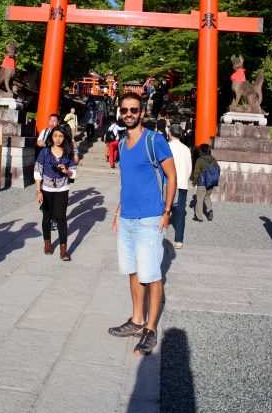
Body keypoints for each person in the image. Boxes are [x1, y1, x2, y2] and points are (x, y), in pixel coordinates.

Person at [109, 92, 176, 356]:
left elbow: (171, 176)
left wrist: (167, 211)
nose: (129, 114)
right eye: (124, 110)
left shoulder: (154, 140)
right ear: (120, 112)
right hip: (126, 219)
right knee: (133, 271)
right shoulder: (123, 143)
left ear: (142, 112)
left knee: (152, 275)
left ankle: (150, 329)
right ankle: (137, 320)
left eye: (133, 110)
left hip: (149, 218)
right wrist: (117, 212)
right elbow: (128, 183)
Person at [34, 125, 77, 261]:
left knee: (61, 218)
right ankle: (47, 243)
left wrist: (66, 171)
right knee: (47, 217)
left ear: (64, 138)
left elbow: (74, 172)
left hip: (62, 188)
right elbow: (37, 171)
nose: (58, 139)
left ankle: (63, 250)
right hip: (46, 189)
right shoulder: (45, 152)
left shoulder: (67, 152)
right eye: (55, 136)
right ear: (51, 137)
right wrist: (38, 191)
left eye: (61, 136)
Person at [168, 125, 192, 249]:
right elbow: (189, 168)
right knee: (180, 212)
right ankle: (179, 240)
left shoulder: (167, 147)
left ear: (170, 133)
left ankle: (159, 234)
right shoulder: (186, 149)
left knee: (164, 209)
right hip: (182, 183)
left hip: (169, 183)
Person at [192, 143, 220, 222]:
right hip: (210, 183)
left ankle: (199, 217)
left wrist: (194, 183)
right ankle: (210, 210)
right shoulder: (213, 159)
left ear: (200, 151)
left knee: (200, 200)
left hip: (202, 183)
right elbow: (218, 169)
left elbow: (196, 173)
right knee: (207, 197)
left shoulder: (199, 160)